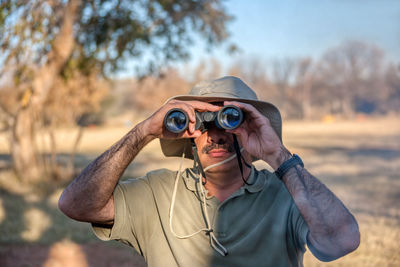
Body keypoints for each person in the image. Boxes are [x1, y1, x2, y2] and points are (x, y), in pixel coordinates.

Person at [59, 76, 360, 267]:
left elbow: (343, 240)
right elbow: (76, 205)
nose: (215, 134)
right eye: (203, 122)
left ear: (251, 127)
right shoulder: (158, 193)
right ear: (189, 136)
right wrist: (143, 132)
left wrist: (277, 154)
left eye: (231, 119)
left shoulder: (287, 194)